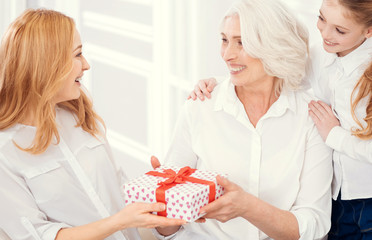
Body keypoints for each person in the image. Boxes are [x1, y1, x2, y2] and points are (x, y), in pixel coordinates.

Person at [190, 0, 372, 238]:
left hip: (366, 194)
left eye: (340, 30)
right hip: (336, 197)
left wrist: (334, 135)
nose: (325, 34)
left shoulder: (364, 73)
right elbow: (277, 69)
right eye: (321, 19)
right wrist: (220, 83)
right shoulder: (321, 55)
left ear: (368, 31)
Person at [152, 0, 333, 239]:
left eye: (242, 42)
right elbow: (167, 230)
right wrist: (164, 203)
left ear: (274, 46)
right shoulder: (200, 106)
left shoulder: (309, 117)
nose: (227, 55)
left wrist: (247, 207)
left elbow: (314, 222)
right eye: (224, 40)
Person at [0, 9, 185, 240]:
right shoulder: (6, 153)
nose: (86, 65)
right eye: (77, 55)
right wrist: (119, 221)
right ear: (46, 63)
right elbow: (38, 236)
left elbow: (119, 194)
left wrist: (161, 204)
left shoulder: (80, 118)